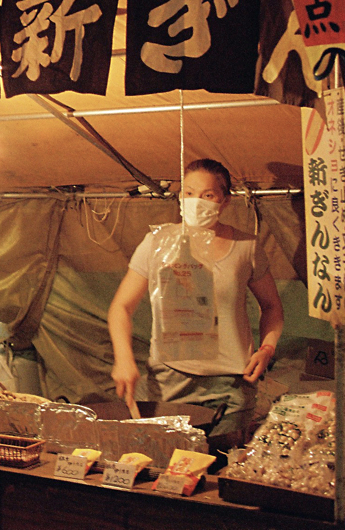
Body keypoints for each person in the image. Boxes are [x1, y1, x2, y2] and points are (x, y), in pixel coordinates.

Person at [108, 158, 284, 439]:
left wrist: (266, 349)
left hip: (232, 384)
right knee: (170, 469)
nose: (196, 201)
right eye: (188, 193)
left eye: (208, 195)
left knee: (222, 469)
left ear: (224, 201)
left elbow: (272, 306)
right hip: (170, 381)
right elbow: (121, 307)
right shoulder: (157, 242)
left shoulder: (246, 247)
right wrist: (124, 358)